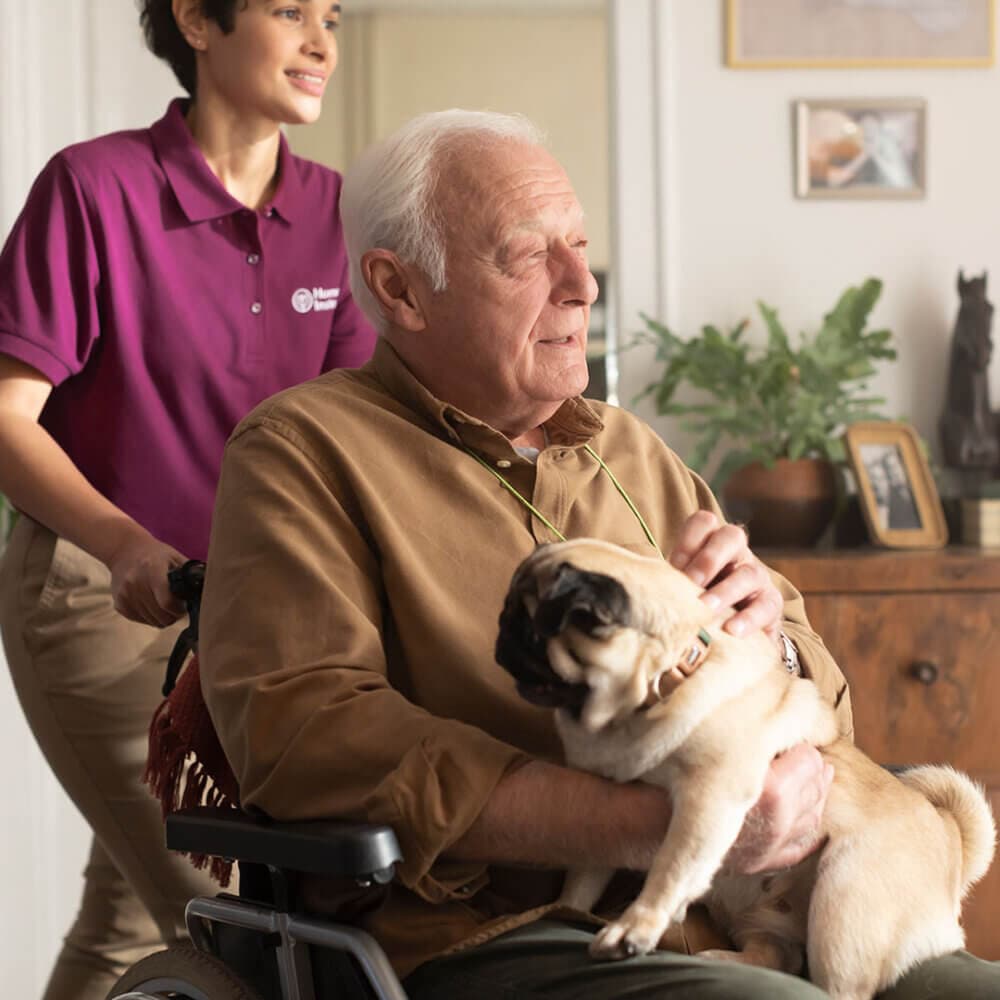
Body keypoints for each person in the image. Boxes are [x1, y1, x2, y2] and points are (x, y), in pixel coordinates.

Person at [198, 111, 999, 998]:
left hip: (741, 918)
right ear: (401, 290)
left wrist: (762, 637)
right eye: (527, 254)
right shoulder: (302, 451)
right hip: (491, 934)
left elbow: (822, 709)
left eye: (580, 247)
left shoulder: (629, 449)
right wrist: (645, 824)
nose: (582, 284)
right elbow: (310, 736)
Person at [0, 2, 375, 998]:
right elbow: (7, 415)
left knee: (131, 920)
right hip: (101, 594)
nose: (321, 43)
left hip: (250, 619)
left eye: (332, 16)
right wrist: (125, 545)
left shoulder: (336, 210)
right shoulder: (95, 188)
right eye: (288, 10)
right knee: (237, 927)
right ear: (198, 21)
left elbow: (358, 432)